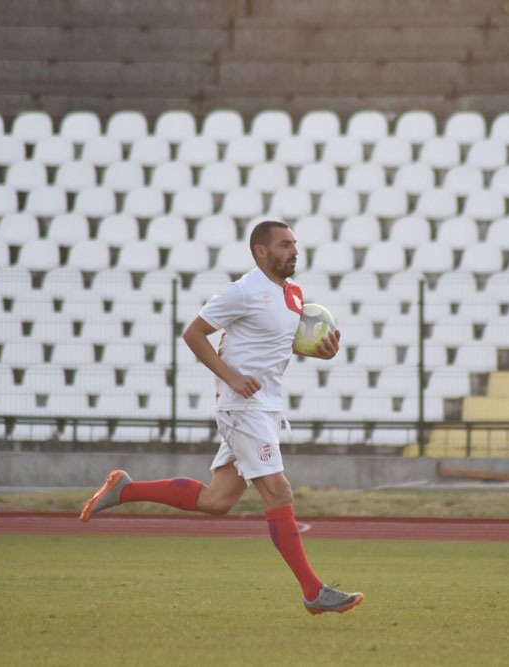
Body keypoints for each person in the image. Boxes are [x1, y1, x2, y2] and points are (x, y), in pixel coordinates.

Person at [80, 220, 363, 615]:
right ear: (261, 251)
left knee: (218, 500)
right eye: (284, 244)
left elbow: (275, 343)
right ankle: (314, 592)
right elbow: (193, 334)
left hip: (266, 408)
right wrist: (231, 377)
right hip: (242, 408)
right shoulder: (242, 292)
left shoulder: (294, 295)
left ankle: (124, 489)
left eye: (294, 244)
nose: (294, 251)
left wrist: (318, 351)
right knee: (279, 492)